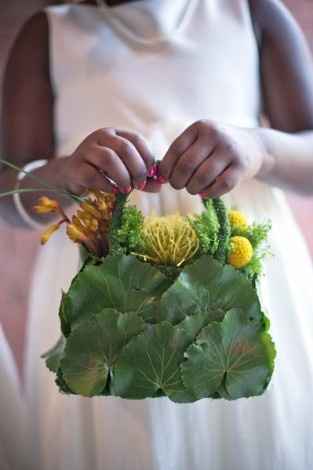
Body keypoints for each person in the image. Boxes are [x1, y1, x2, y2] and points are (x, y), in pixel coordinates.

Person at [1, 0, 313, 468]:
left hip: (241, 277)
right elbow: (8, 197)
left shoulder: (251, 11)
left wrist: (261, 148)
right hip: (104, 287)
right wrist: (64, 176)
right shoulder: (48, 32)